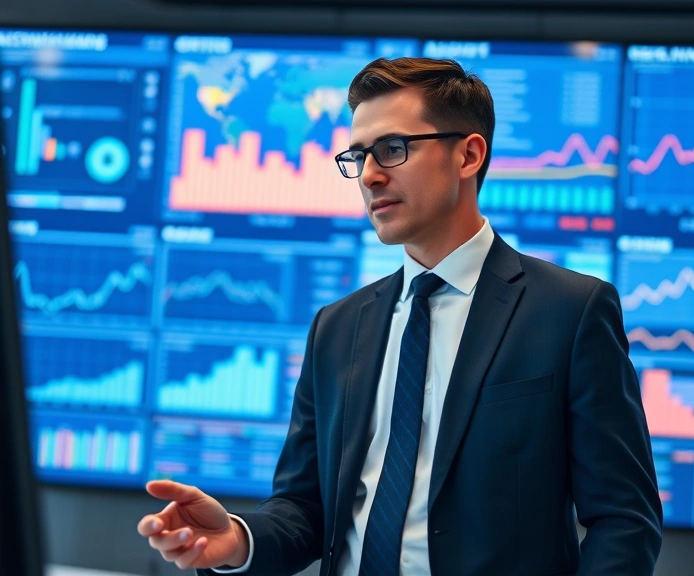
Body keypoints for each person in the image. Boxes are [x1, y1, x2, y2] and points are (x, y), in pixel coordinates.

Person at [138, 57, 663, 575]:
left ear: (468, 155)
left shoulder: (568, 311)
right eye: (358, 155)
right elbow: (306, 510)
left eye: (391, 149)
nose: (368, 176)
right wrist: (238, 539)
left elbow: (624, 519)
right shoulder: (337, 327)